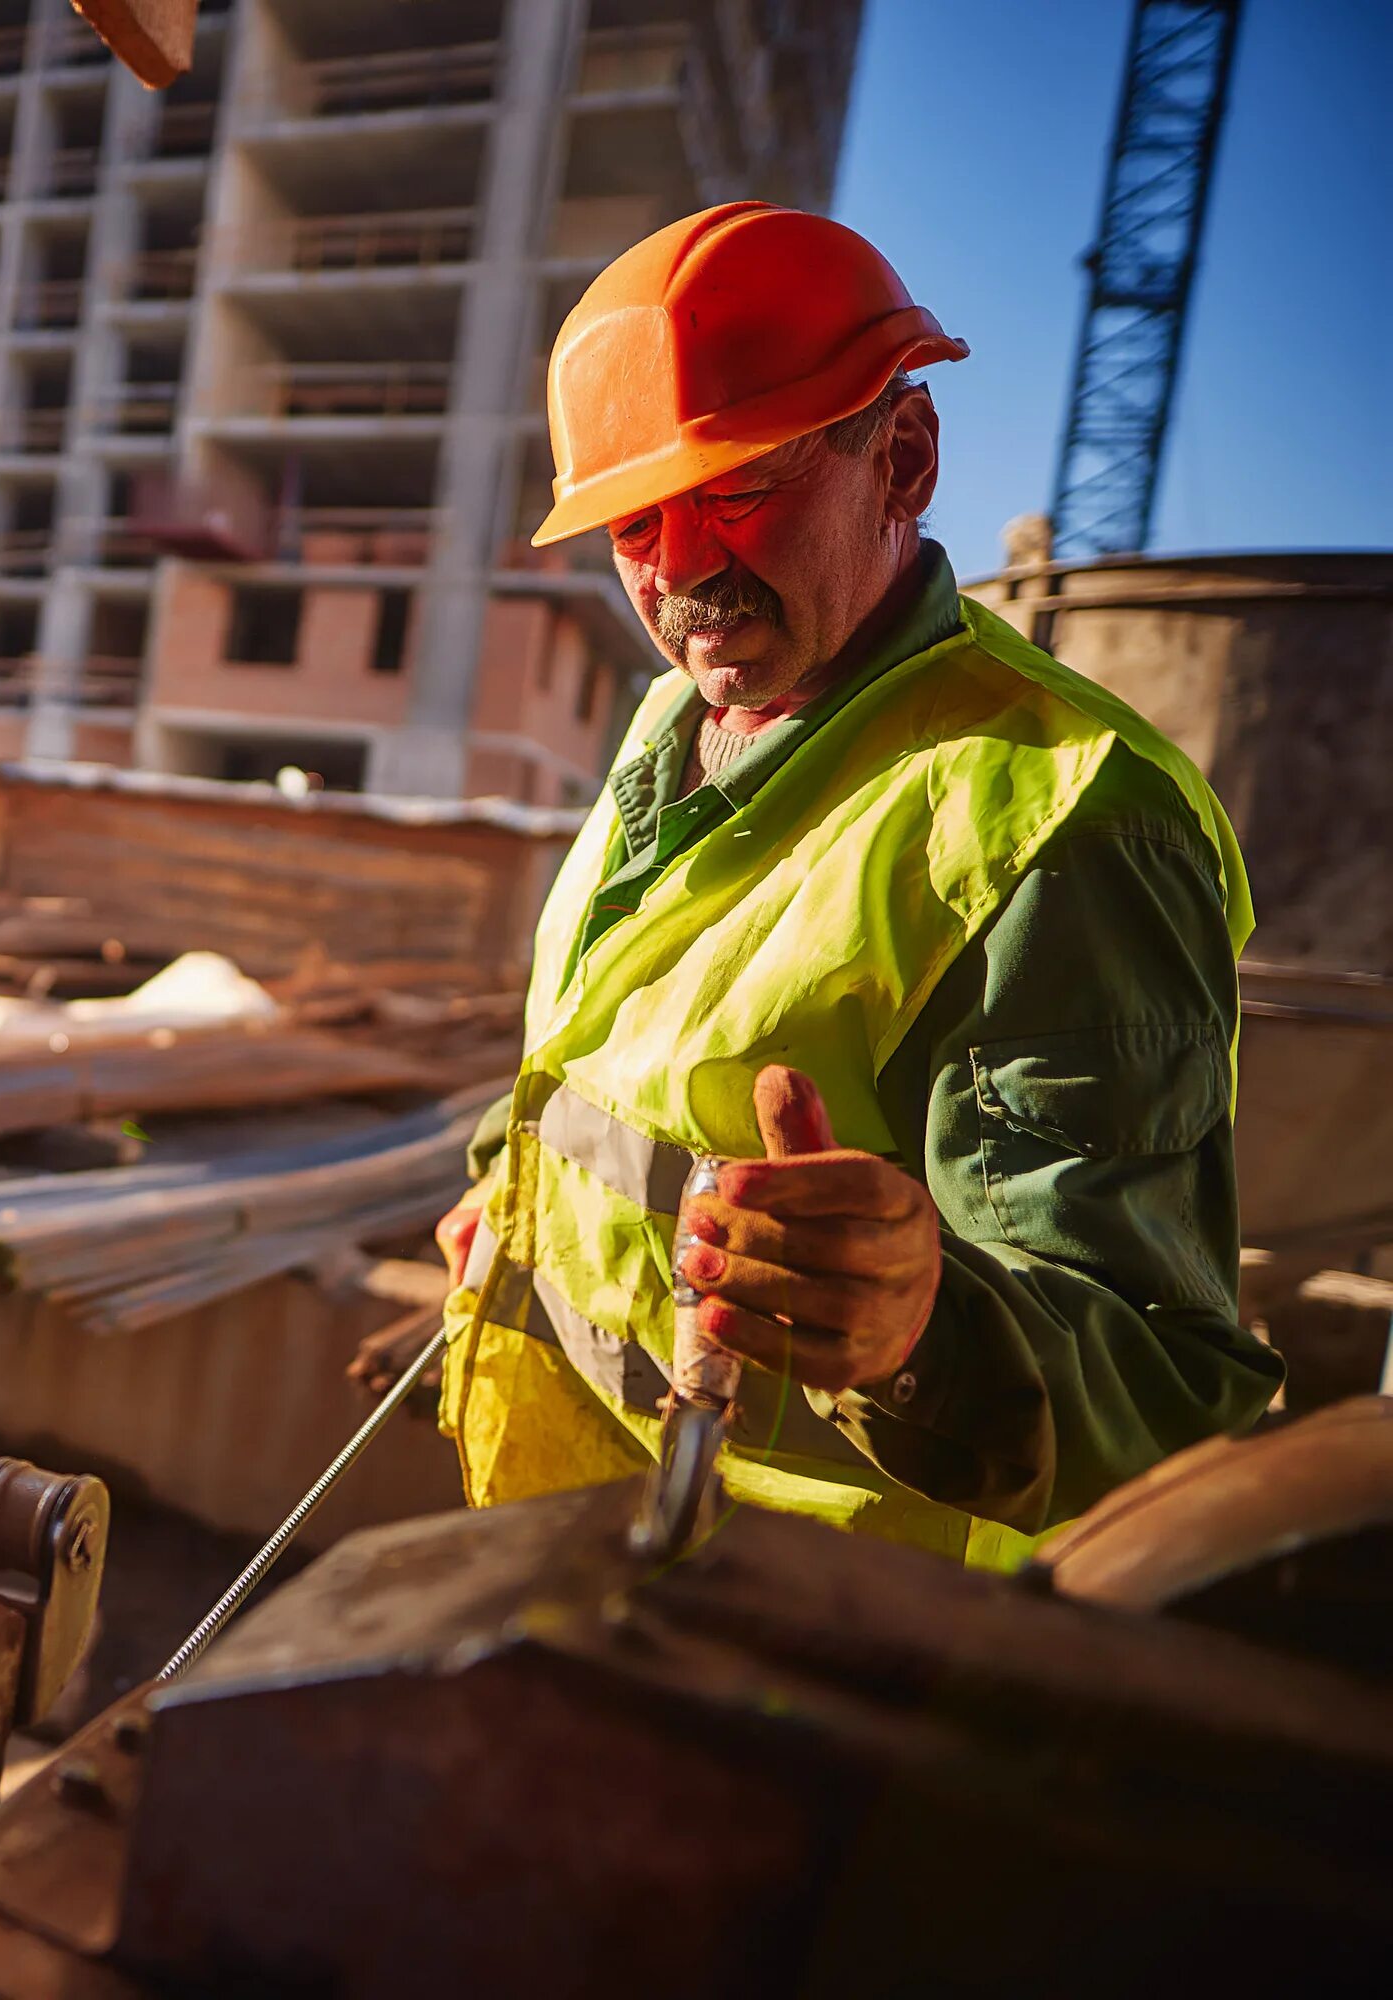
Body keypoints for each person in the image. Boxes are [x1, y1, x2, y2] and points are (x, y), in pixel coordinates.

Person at [369, 202, 1276, 1568]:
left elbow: (1167, 1383)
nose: (680, 571)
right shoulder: (673, 726)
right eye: (634, 522)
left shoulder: (1062, 821)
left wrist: (923, 1337)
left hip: (817, 1646)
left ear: (899, 458)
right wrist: (516, 1197)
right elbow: (617, 1062)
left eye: (733, 490)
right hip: (582, 1552)